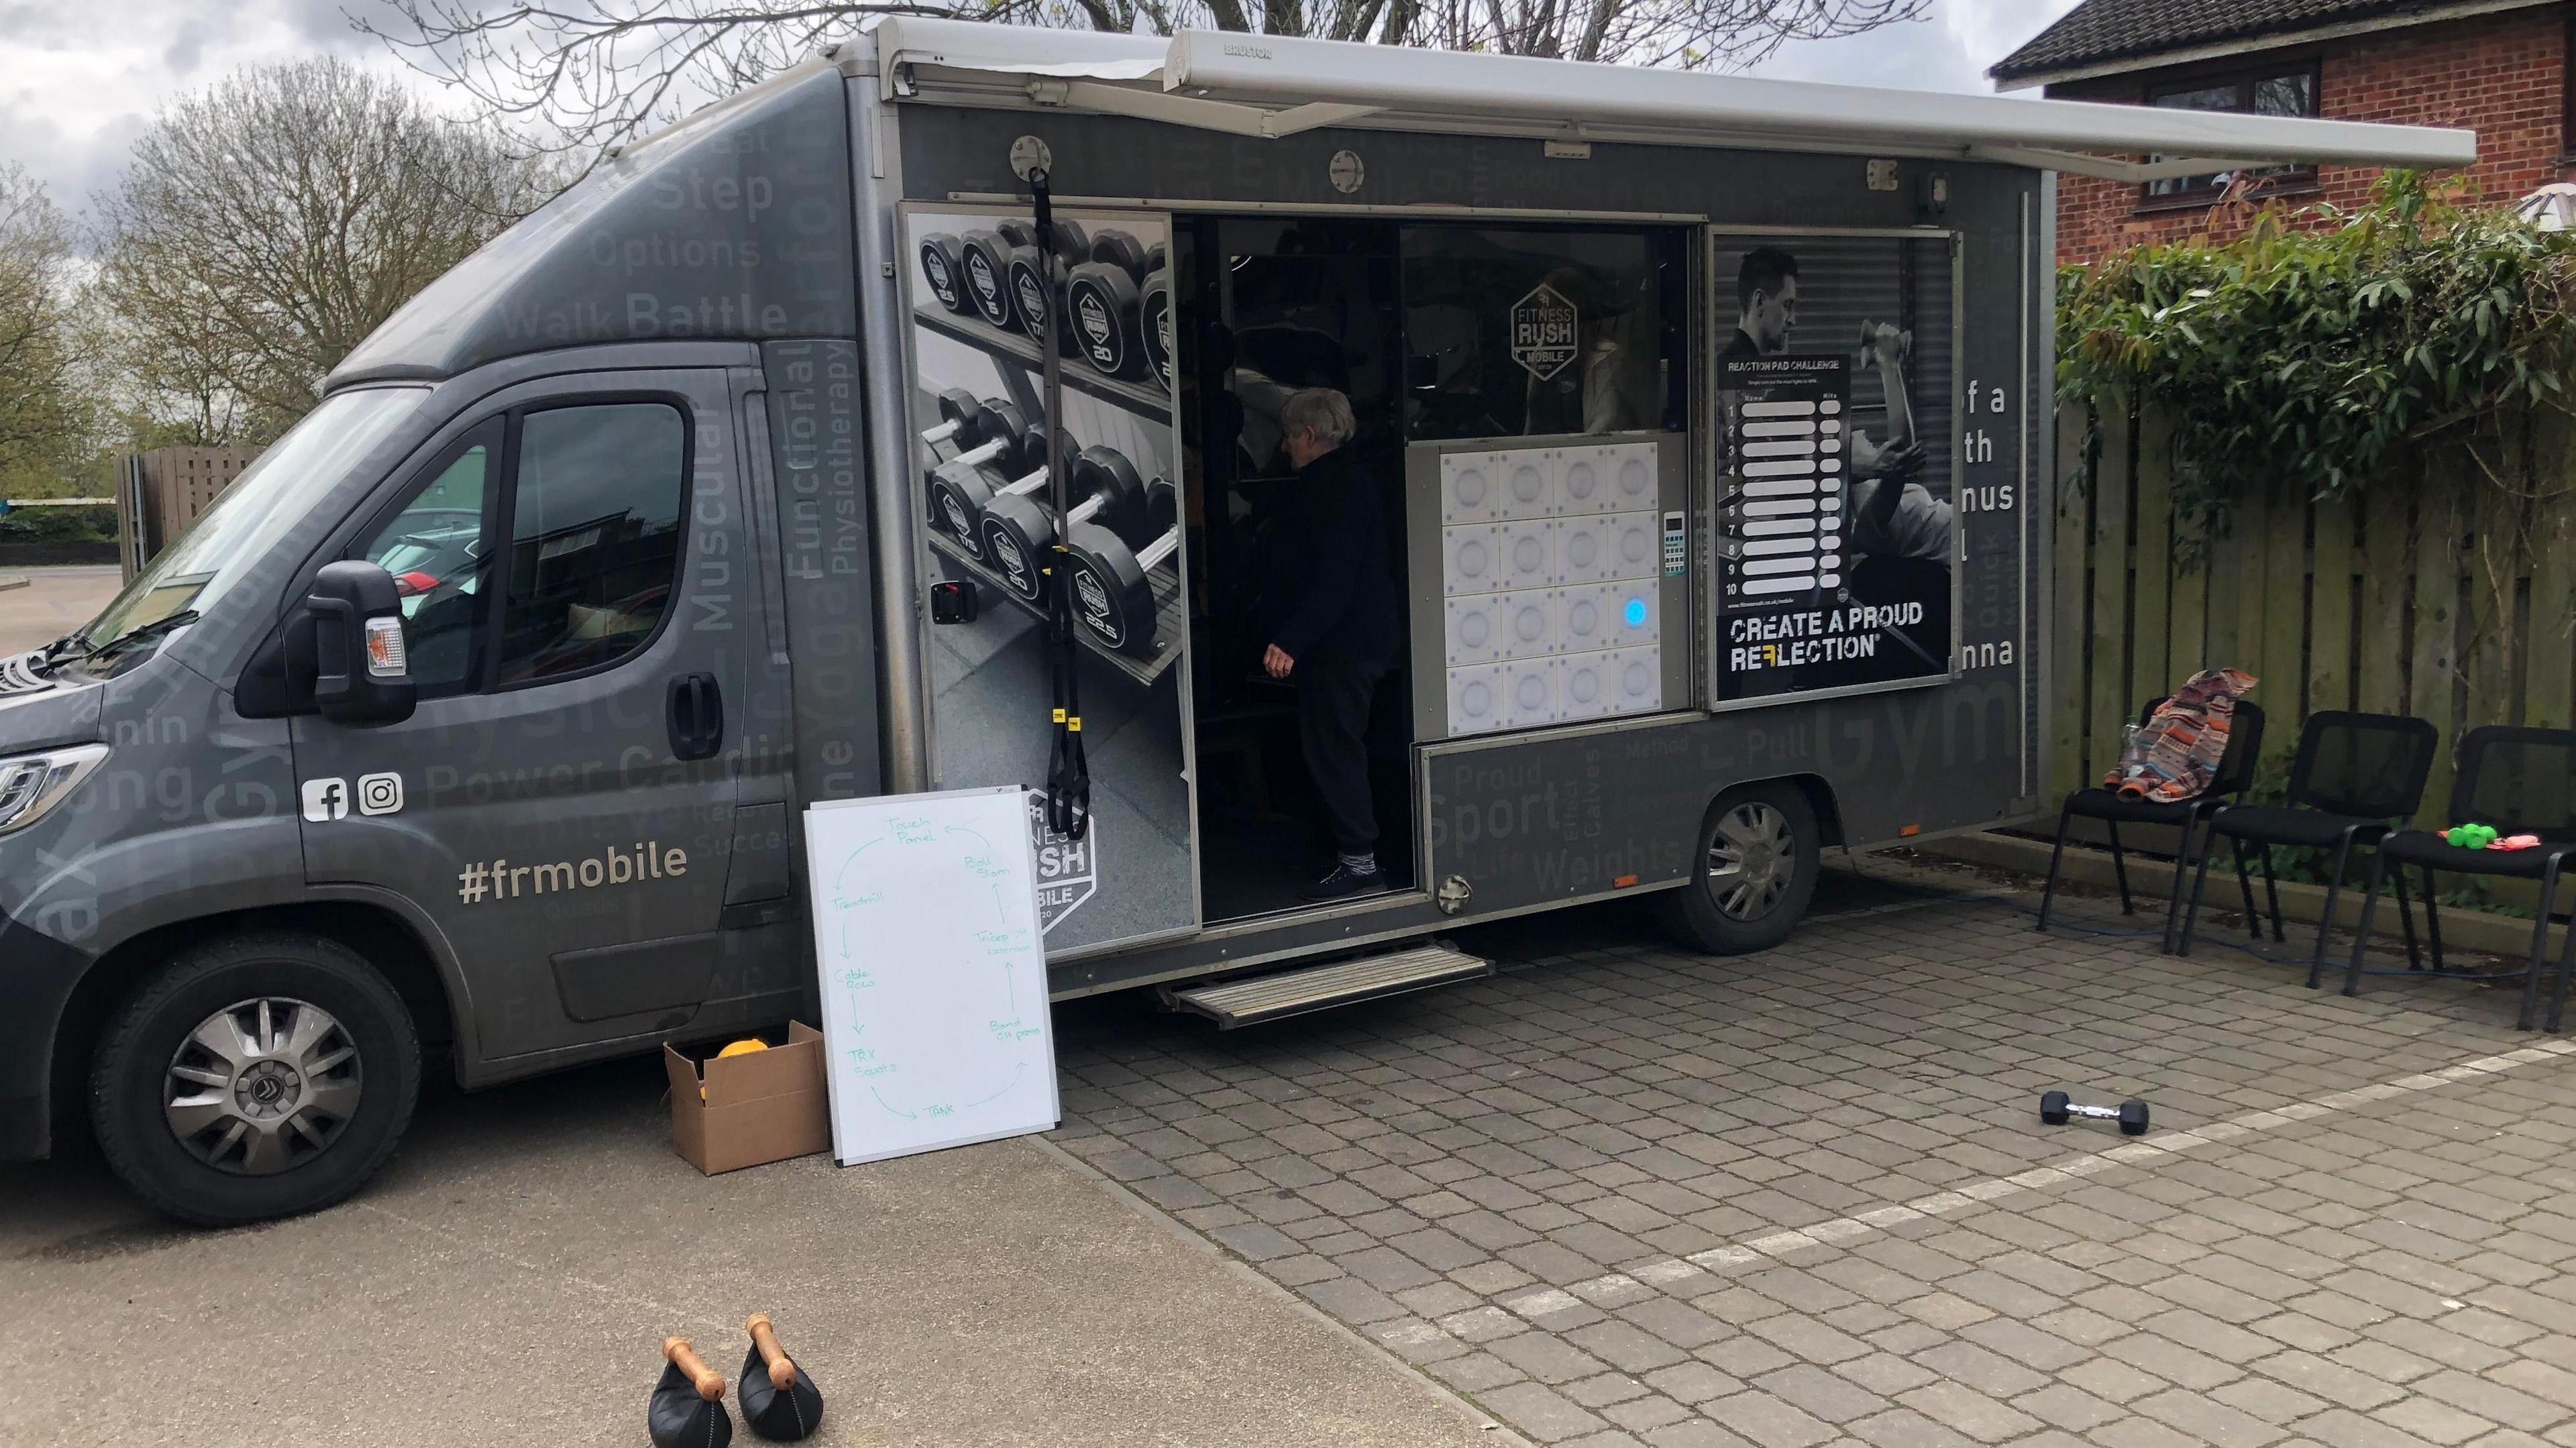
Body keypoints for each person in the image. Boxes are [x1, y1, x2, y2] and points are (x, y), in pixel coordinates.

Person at [1257, 388, 1401, 901]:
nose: (1285, 447)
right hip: (1351, 638)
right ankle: (1349, 853)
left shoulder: (1334, 490)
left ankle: (1361, 865)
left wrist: (1290, 641)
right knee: (1336, 744)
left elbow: (1333, 582)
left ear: (1310, 436)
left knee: (1335, 747)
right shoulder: (1349, 482)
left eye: (1289, 437)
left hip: (1343, 644)